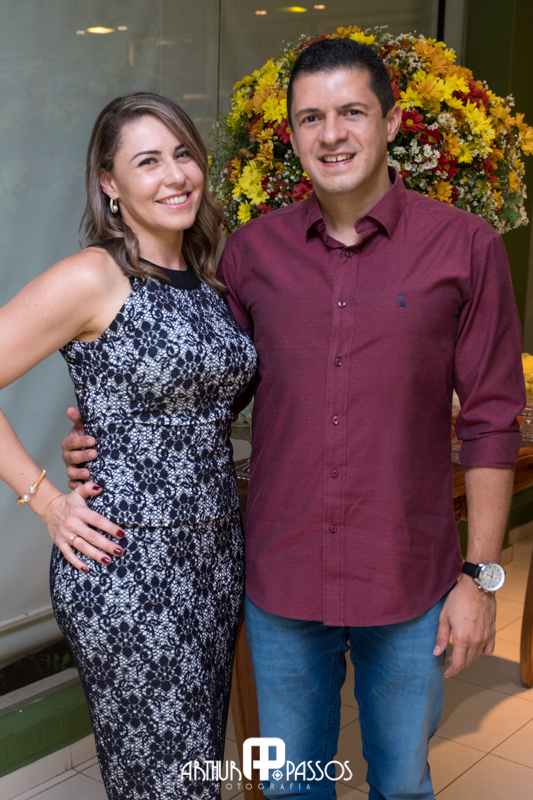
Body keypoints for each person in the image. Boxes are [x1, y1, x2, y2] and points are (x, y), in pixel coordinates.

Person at [63, 41, 525, 800]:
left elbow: (492, 423)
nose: (331, 134)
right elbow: (207, 390)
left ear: (392, 122)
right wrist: (106, 437)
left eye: (352, 112)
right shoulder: (251, 254)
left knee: (402, 783)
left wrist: (480, 577)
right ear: (292, 134)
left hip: (407, 577)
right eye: (311, 117)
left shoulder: (464, 247)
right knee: (290, 786)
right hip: (282, 577)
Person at [0, 92, 256, 800]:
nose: (174, 175)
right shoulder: (94, 276)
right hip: (128, 569)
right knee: (164, 784)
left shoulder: (208, 280)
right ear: (109, 183)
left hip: (212, 560)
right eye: (148, 161)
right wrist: (46, 500)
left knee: (196, 772)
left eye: (182, 154)